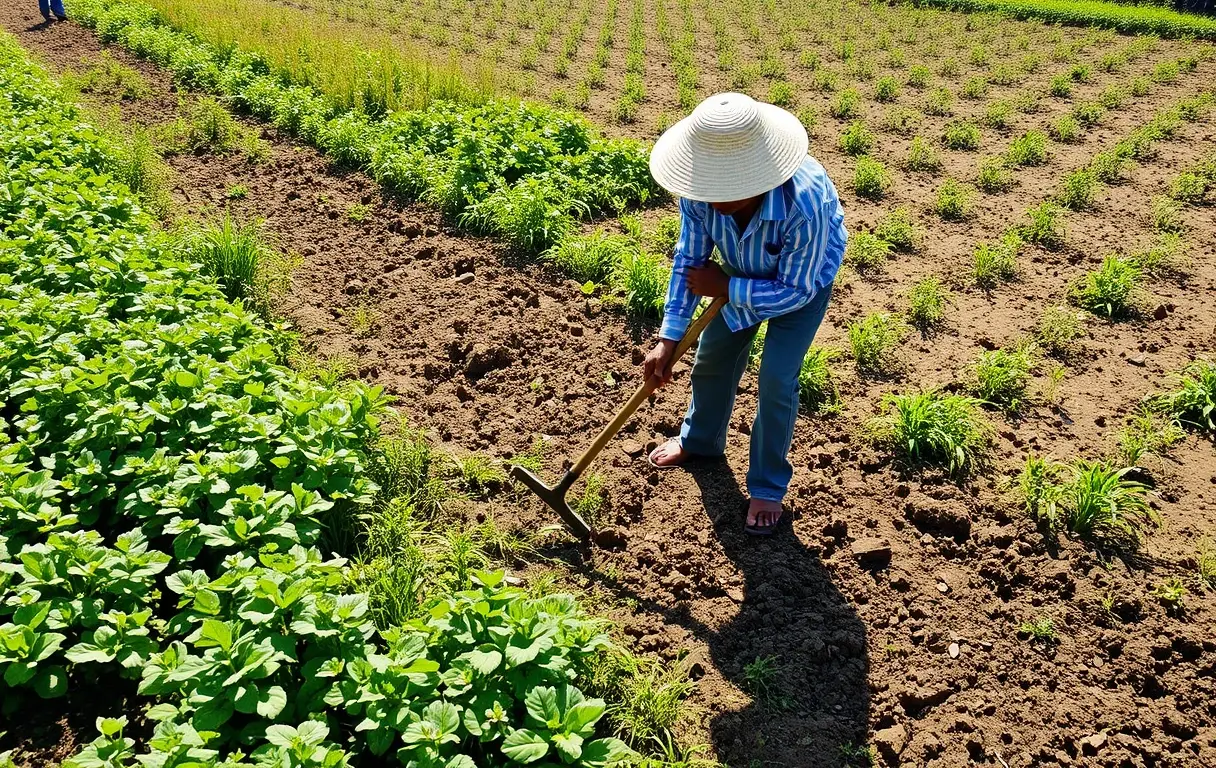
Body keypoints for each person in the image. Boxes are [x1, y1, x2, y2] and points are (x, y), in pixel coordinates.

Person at [643, 92, 847, 536]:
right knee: (712, 360)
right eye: (709, 187)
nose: (714, 199)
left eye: (728, 189)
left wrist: (729, 287)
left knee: (777, 377)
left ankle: (768, 486)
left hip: (801, 286)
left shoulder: (804, 205)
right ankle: (700, 440)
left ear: (760, 175)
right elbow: (690, 264)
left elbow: (796, 289)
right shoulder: (699, 194)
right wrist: (668, 337)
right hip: (732, 275)